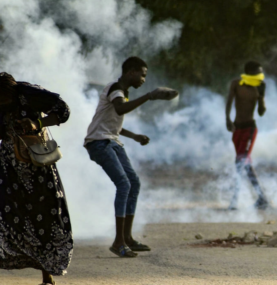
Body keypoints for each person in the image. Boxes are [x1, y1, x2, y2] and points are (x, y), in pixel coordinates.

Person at [84, 57, 178, 258]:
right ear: (131, 72)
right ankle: (118, 242)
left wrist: (134, 136)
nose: (144, 79)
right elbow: (120, 109)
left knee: (133, 183)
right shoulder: (116, 89)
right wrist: (149, 96)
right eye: (142, 74)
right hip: (99, 143)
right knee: (124, 184)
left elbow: (112, 122)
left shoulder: (122, 92)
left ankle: (127, 238)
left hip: (111, 141)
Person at [0, 72, 72, 285]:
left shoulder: (29, 93)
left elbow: (63, 111)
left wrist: (37, 122)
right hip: (9, 167)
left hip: (37, 166)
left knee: (45, 216)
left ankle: (47, 276)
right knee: (9, 216)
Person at [225, 61, 269, 210]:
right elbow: (229, 101)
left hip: (250, 129)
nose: (260, 75)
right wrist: (227, 119)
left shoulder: (259, 86)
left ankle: (234, 200)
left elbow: (261, 112)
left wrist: (261, 96)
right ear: (249, 72)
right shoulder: (236, 84)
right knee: (245, 164)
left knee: (240, 163)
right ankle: (262, 198)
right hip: (237, 129)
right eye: (257, 72)